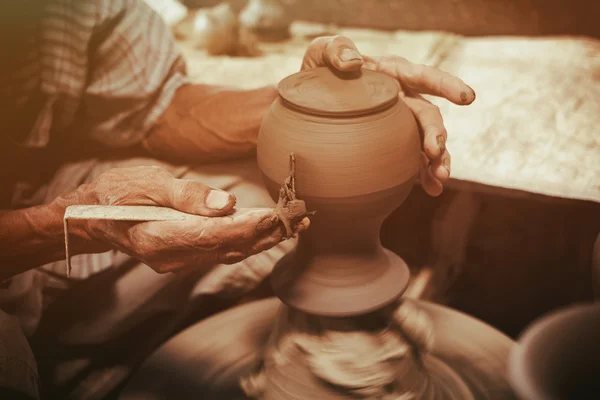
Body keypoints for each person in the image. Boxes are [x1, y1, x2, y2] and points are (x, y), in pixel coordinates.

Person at [0, 1, 476, 399]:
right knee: (10, 357)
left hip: (24, 187)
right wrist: (74, 222)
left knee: (283, 185)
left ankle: (76, 350)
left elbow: (157, 109)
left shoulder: (69, 9)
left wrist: (309, 101)